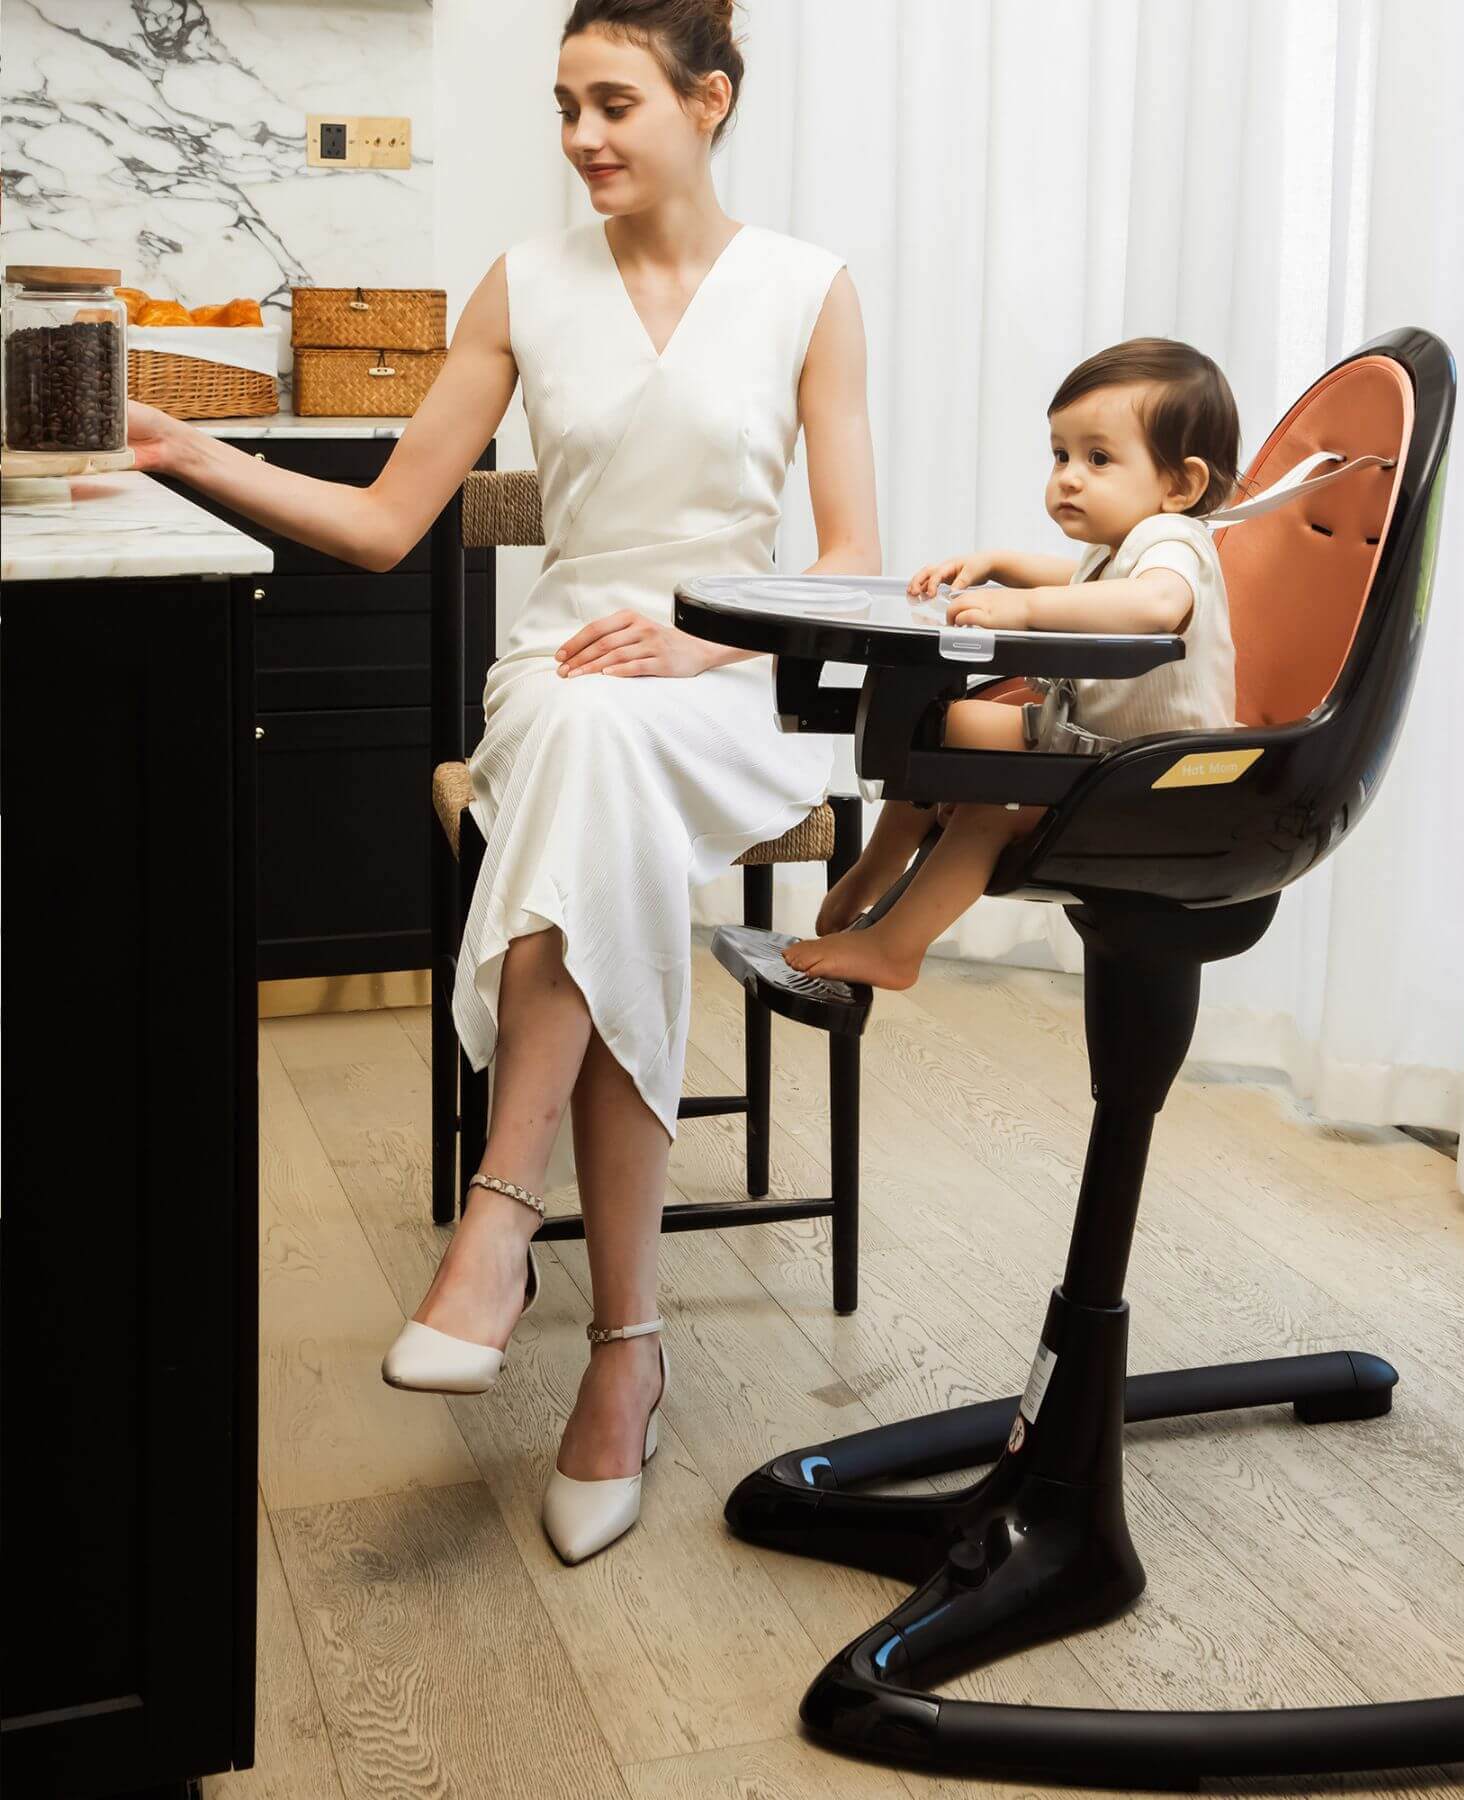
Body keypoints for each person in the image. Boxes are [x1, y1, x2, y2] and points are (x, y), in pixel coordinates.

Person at [126, 0, 879, 1565]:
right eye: (562, 106)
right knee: (591, 758)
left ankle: (503, 1215)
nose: (581, 137)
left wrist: (709, 643)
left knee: (599, 783)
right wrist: (190, 452)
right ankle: (627, 1355)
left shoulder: (809, 290)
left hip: (737, 681)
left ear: (710, 100)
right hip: (565, 678)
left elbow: (852, 563)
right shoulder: (525, 287)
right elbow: (390, 522)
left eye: (613, 101)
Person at [783, 337, 1239, 991]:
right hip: (1107, 755)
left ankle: (896, 947)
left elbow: (1160, 604)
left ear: (1181, 484)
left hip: (1157, 780)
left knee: (991, 802)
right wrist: (997, 564)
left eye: (1099, 458)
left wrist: (1025, 610)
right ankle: (878, 869)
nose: (1069, 476)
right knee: (946, 728)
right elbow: (1078, 581)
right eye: (1062, 455)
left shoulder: (1174, 541)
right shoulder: (1124, 545)